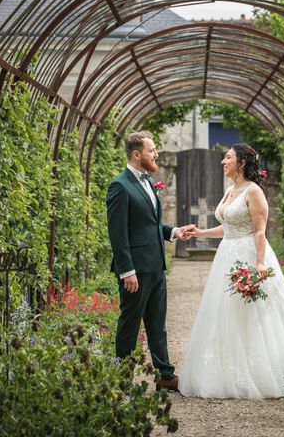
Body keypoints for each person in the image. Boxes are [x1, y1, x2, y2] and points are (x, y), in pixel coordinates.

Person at [179, 143, 284, 399]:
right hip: (226, 256)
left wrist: (259, 263)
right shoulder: (230, 190)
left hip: (249, 255)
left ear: (241, 162)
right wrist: (201, 233)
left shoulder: (254, 191)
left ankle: (264, 370)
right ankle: (226, 370)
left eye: (228, 157)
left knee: (255, 313)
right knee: (225, 313)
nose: (223, 161)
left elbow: (258, 229)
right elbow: (229, 228)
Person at [106, 131, 194, 392]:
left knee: (158, 324)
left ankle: (165, 375)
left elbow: (150, 225)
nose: (156, 154)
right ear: (136, 154)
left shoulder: (148, 181)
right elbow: (118, 234)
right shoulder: (119, 186)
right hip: (135, 271)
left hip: (156, 267)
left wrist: (172, 232)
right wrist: (127, 271)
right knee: (129, 325)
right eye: (152, 150)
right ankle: (122, 379)